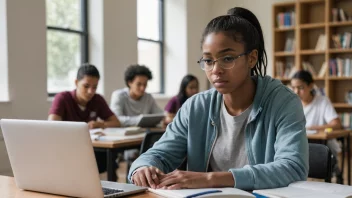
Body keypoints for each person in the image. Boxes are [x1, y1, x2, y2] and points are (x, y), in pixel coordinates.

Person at [128, 7, 308, 190]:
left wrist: (209, 179)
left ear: (252, 58)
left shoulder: (283, 102)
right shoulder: (196, 107)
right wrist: (142, 168)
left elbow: (292, 168)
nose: (215, 70)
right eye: (208, 61)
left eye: (227, 58)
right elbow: (159, 154)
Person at [48, 64, 120, 173]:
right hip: (66, 148)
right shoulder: (62, 98)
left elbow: (116, 122)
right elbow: (52, 126)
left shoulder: (97, 100)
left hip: (89, 148)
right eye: (86, 86)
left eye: (94, 87)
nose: (91, 91)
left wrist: (100, 124)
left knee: (109, 159)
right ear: (76, 83)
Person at [291, 70, 343, 183]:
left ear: (310, 86)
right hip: (300, 145)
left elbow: (336, 124)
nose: (296, 92)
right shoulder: (293, 104)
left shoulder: (322, 101)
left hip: (322, 146)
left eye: (300, 87)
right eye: (293, 88)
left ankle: (333, 171)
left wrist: (313, 128)